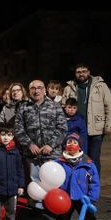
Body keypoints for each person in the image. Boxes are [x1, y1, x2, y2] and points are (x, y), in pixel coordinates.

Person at [15, 80, 67, 210]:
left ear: (44, 90)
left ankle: (54, 207)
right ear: (29, 90)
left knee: (53, 183)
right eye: (33, 88)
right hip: (33, 154)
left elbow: (62, 128)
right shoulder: (23, 107)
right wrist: (29, 144)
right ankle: (37, 207)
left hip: (52, 153)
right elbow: (18, 129)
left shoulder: (55, 106)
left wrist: (50, 145)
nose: (36, 90)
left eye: (39, 88)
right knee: (35, 182)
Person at [53, 133, 105, 220]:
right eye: (68, 142)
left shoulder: (88, 163)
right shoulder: (58, 162)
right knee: (62, 219)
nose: (71, 145)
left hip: (83, 198)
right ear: (64, 146)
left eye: (75, 142)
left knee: (90, 219)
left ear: (80, 146)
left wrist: (92, 197)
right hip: (65, 197)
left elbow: (94, 182)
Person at [62, 64, 111, 176]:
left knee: (94, 158)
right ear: (75, 74)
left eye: (84, 71)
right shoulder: (69, 87)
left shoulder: (100, 86)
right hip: (75, 130)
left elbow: (110, 106)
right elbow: (63, 106)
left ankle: (93, 184)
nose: (81, 74)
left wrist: (109, 125)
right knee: (76, 157)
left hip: (95, 129)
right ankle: (80, 183)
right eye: (78, 72)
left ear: (89, 72)